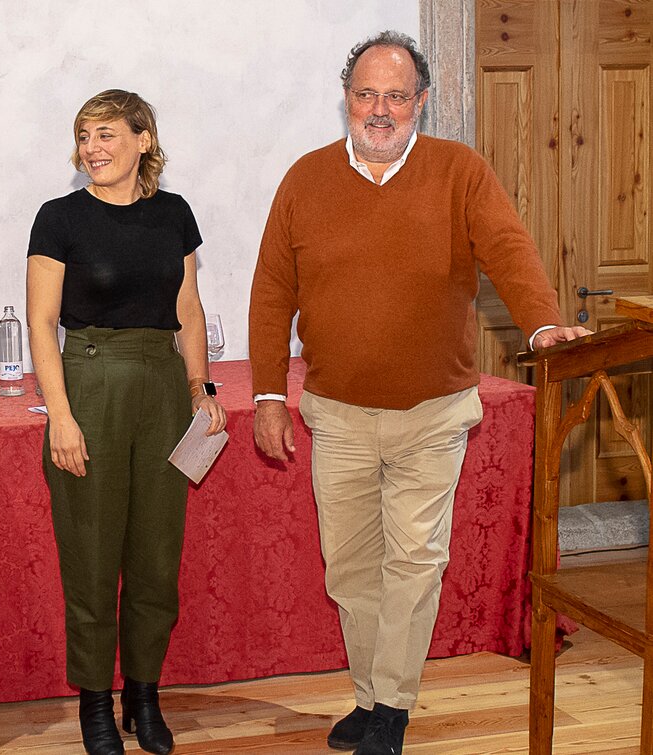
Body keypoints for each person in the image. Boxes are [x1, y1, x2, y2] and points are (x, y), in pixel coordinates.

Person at [248, 31, 590, 755]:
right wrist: (270, 395)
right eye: (366, 94)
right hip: (335, 413)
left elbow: (508, 249)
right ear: (346, 97)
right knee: (349, 569)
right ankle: (370, 694)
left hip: (432, 413)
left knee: (412, 563)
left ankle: (391, 709)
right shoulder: (304, 180)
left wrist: (542, 323)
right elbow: (272, 291)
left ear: (420, 103)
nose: (379, 109)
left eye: (395, 96)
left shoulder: (458, 171)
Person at [27, 89, 227, 755]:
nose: (93, 148)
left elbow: (189, 310)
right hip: (89, 382)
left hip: (163, 389)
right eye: (84, 135)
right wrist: (60, 414)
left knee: (154, 555)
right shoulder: (58, 218)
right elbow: (40, 322)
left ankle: (143, 693)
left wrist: (200, 390)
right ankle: (94, 701)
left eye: (107, 134)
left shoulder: (173, 214)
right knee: (90, 554)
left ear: (143, 139)